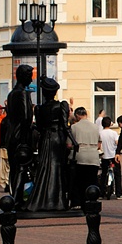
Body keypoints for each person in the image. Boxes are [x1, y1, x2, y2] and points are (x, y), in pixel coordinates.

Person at [26, 77, 72, 212]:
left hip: (45, 139)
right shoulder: (62, 105)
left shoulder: (39, 108)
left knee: (45, 166)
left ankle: (43, 198)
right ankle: (58, 201)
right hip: (57, 138)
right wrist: (74, 141)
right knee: (57, 167)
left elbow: (40, 127)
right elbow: (65, 126)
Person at [4, 64, 36, 207]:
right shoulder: (22, 93)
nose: (31, 79)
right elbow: (25, 118)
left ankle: (14, 198)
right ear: (23, 77)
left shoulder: (12, 93)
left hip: (12, 136)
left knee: (14, 169)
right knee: (20, 169)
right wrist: (25, 140)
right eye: (30, 76)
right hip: (20, 137)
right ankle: (17, 200)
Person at [69, 106, 102, 208]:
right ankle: (91, 201)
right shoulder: (95, 127)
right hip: (93, 157)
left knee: (79, 181)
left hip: (80, 156)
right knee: (92, 180)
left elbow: (68, 145)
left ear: (77, 115)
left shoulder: (74, 127)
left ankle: (79, 202)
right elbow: (99, 144)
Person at [99, 115, 121, 199]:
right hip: (113, 156)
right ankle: (119, 193)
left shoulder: (100, 133)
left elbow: (98, 145)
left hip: (104, 156)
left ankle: (101, 192)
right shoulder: (114, 133)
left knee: (103, 174)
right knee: (117, 174)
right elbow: (117, 143)